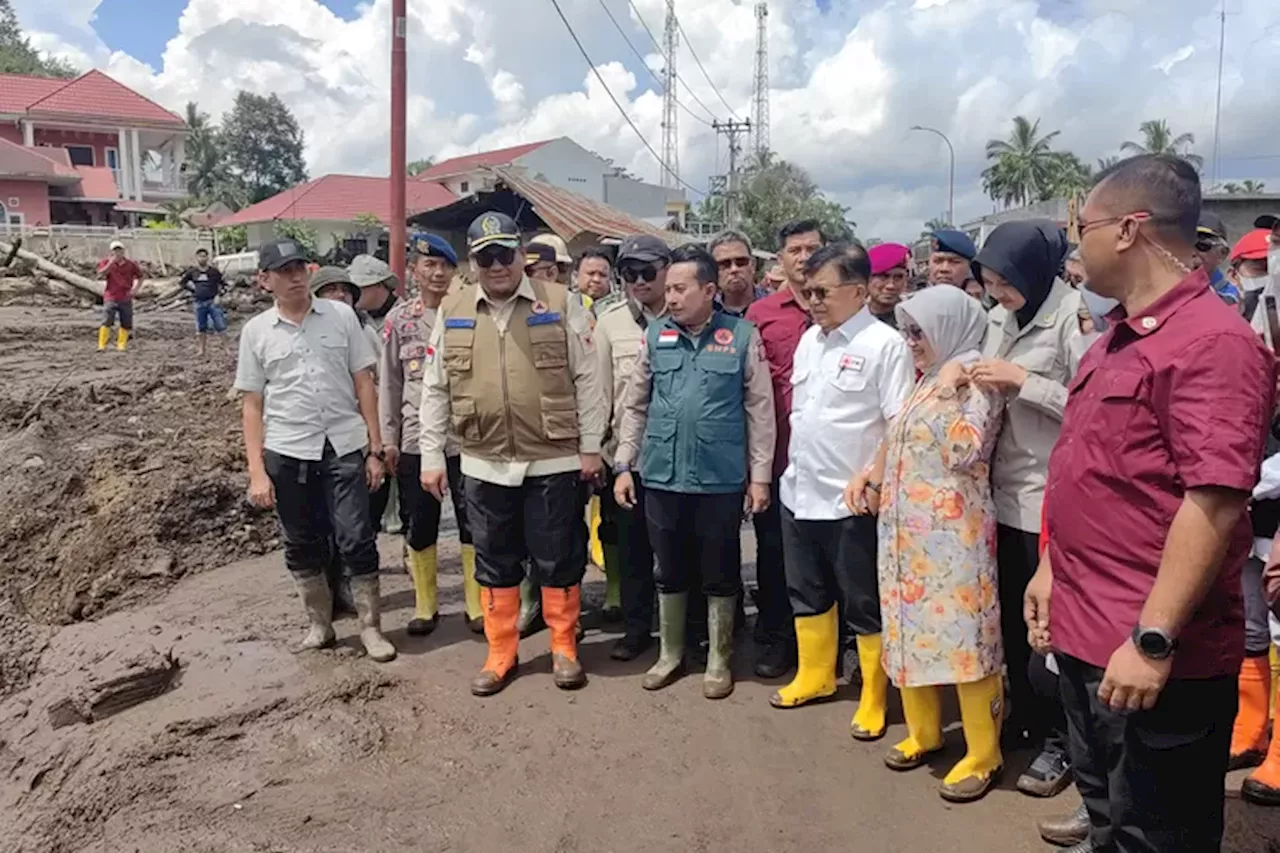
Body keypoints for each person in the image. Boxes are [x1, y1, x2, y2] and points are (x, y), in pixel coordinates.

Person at [1029, 154, 1275, 852]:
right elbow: (1094, 473)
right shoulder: (1117, 339)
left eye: (1086, 226)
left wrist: (1153, 637)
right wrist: (1052, 568)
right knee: (1109, 816)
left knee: (1158, 834)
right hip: (1086, 631)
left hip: (1151, 655)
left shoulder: (1211, 345)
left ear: (1130, 230)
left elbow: (1216, 502)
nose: (1077, 244)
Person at [418, 212, 607, 696]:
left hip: (553, 458)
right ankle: (501, 651)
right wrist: (431, 456)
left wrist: (590, 448)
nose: (497, 265)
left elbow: (590, 379)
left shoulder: (562, 303)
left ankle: (564, 646)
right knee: (494, 559)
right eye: (486, 257)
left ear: (521, 255)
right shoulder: (453, 307)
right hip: (482, 460)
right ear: (473, 262)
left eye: (505, 254)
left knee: (559, 557)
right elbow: (435, 387)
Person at [856, 283, 1005, 802]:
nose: (910, 341)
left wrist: (947, 389)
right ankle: (924, 733)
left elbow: (965, 449)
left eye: (919, 331)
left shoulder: (972, 380)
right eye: (907, 331)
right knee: (910, 633)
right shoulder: (928, 378)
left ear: (946, 327)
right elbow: (898, 435)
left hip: (952, 542)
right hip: (906, 543)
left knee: (965, 642)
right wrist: (869, 475)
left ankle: (984, 754)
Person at [613, 244, 775, 700]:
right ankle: (671, 653)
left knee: (720, 570)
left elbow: (760, 411)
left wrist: (758, 476)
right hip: (661, 474)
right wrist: (625, 464)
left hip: (718, 477)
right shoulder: (655, 336)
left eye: (681, 289)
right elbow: (636, 405)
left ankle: (720, 658)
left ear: (709, 289)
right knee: (669, 567)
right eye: (670, 290)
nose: (672, 298)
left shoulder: (741, 336)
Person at [770, 244, 913, 746]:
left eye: (822, 291)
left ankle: (875, 694)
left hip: (853, 500)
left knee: (862, 601)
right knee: (805, 591)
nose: (812, 300)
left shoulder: (885, 344)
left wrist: (873, 478)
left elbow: (899, 422)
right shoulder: (811, 340)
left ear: (858, 289)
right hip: (801, 489)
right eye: (806, 291)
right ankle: (816, 674)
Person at [234, 238, 396, 663]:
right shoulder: (256, 332)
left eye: (299, 269)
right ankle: (320, 626)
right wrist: (256, 472)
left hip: (344, 444)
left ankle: (371, 628)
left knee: (357, 536)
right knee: (300, 541)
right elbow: (252, 404)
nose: (294, 278)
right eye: (283, 271)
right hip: (288, 450)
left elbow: (365, 382)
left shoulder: (341, 317)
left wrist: (375, 447)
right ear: (264, 279)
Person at [968, 219, 1081, 800]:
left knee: (1050, 635)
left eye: (1005, 283)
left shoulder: (1072, 316)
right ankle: (1023, 721)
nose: (997, 294)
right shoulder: (998, 316)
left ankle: (1063, 740)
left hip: (1050, 497)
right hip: (1003, 493)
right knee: (1012, 623)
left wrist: (1024, 381)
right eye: (988, 284)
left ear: (1033, 274)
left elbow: (1091, 406)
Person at [380, 232, 484, 636]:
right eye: (429, 266)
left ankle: (476, 606)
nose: (437, 273)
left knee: (472, 521)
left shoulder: (471, 311)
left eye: (444, 266)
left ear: (454, 271)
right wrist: (387, 440)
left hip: (467, 436)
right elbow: (388, 383)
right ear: (414, 270)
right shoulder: (399, 320)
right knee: (418, 523)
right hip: (414, 439)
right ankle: (426, 605)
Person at [743, 220, 822, 679]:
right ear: (781, 259)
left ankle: (834, 646)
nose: (804, 256)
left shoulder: (848, 309)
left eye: (813, 247)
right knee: (774, 554)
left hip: (834, 462)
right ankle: (778, 638)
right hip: (779, 455)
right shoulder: (762, 314)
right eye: (795, 249)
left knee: (831, 558)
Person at [595, 234, 671, 660]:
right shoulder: (609, 322)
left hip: (679, 461)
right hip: (629, 461)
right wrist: (599, 454)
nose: (638, 281)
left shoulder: (692, 315)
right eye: (629, 273)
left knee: (682, 553)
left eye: (647, 271)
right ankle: (637, 628)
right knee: (632, 552)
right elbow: (601, 394)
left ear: (667, 268)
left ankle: (687, 635)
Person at [179, 247, 228, 356]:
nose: (202, 258)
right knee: (201, 327)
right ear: (196, 258)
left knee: (220, 325)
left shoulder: (214, 272)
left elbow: (225, 284)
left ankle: (226, 349)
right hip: (199, 302)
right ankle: (201, 350)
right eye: (200, 256)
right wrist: (193, 290)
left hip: (212, 302)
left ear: (208, 257)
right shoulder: (192, 272)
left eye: (204, 256)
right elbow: (182, 283)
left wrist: (219, 295)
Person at [708, 229, 766, 318]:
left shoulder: (775, 304)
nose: (734, 269)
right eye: (724, 264)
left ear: (753, 265)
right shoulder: (705, 311)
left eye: (741, 262)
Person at [97, 240, 141, 352]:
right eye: (115, 250)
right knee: (106, 320)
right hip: (111, 296)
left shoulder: (131, 264)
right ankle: (102, 345)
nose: (117, 253)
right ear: (111, 252)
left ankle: (121, 345)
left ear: (123, 251)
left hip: (125, 297)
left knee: (126, 322)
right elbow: (101, 273)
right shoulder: (106, 262)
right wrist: (110, 264)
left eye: (119, 250)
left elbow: (140, 276)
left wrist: (135, 289)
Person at [1193, 212, 1240, 306]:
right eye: (1183, 245)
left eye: (1202, 245)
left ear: (1223, 253)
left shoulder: (1233, 299)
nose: (1192, 252)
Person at [866, 242, 910, 328]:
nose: (891, 286)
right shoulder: (852, 318)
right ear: (867, 279)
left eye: (898, 277)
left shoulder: (913, 316)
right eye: (883, 277)